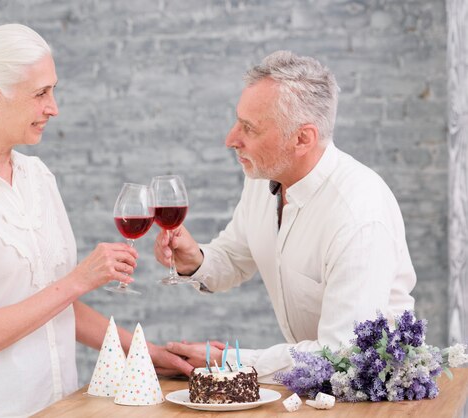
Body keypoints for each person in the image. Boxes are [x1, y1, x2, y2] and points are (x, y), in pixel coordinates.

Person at [0, 23, 189, 418]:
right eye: (41, 93)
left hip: (56, 404)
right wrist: (78, 280)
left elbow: (55, 305)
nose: (53, 107)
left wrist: (148, 353)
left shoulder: (36, 176)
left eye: (53, 90)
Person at [155, 50, 417, 382]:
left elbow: (342, 355)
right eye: (238, 120)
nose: (231, 139)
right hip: (312, 387)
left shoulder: (358, 216)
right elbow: (236, 257)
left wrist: (230, 361)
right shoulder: (265, 176)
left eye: (249, 128)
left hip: (371, 394)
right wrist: (195, 259)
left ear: (302, 138)